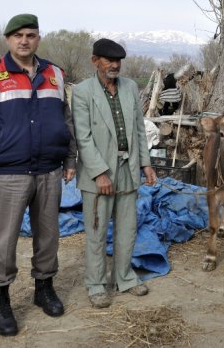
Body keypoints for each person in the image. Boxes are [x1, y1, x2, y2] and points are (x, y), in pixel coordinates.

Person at [0, 13, 76, 336]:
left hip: (49, 171)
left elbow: (65, 121)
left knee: (48, 235)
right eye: (18, 36)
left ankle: (44, 288)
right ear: (8, 40)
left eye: (31, 35)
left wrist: (70, 160)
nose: (24, 41)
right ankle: (0, 299)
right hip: (8, 174)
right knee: (4, 239)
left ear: (38, 38)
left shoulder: (54, 74)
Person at [71, 38, 157, 309]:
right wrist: (99, 174)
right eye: (108, 60)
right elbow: (82, 138)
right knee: (96, 230)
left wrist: (145, 163)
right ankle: (96, 285)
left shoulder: (130, 87)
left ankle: (125, 278)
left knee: (128, 228)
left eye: (118, 61)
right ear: (95, 60)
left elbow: (139, 130)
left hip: (128, 169)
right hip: (99, 174)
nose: (114, 65)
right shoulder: (83, 91)